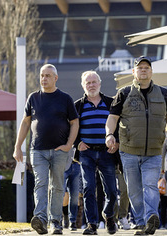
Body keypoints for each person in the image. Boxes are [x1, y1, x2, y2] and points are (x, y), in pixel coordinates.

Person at [105, 56, 167, 236]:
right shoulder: (123, 93)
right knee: (134, 189)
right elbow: (112, 118)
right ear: (134, 72)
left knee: (151, 186)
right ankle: (140, 222)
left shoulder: (163, 93)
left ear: (151, 71)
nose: (143, 70)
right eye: (140, 68)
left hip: (154, 152)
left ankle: (150, 218)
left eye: (146, 67)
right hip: (128, 151)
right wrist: (109, 134)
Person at [13, 64, 79, 235]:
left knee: (57, 186)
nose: (44, 79)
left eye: (48, 76)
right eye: (42, 75)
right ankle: (41, 219)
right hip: (38, 150)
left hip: (60, 151)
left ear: (55, 78)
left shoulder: (65, 98)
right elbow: (26, 122)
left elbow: (74, 123)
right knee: (40, 184)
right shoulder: (33, 98)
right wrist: (17, 146)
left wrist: (69, 144)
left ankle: (55, 221)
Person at [75, 71, 118, 235]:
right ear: (83, 85)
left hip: (107, 152)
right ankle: (92, 224)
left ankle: (108, 215)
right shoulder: (78, 105)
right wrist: (77, 142)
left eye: (94, 82)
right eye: (88, 83)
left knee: (112, 191)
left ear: (99, 84)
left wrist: (117, 142)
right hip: (87, 153)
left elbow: (118, 124)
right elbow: (71, 127)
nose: (91, 85)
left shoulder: (110, 103)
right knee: (89, 188)